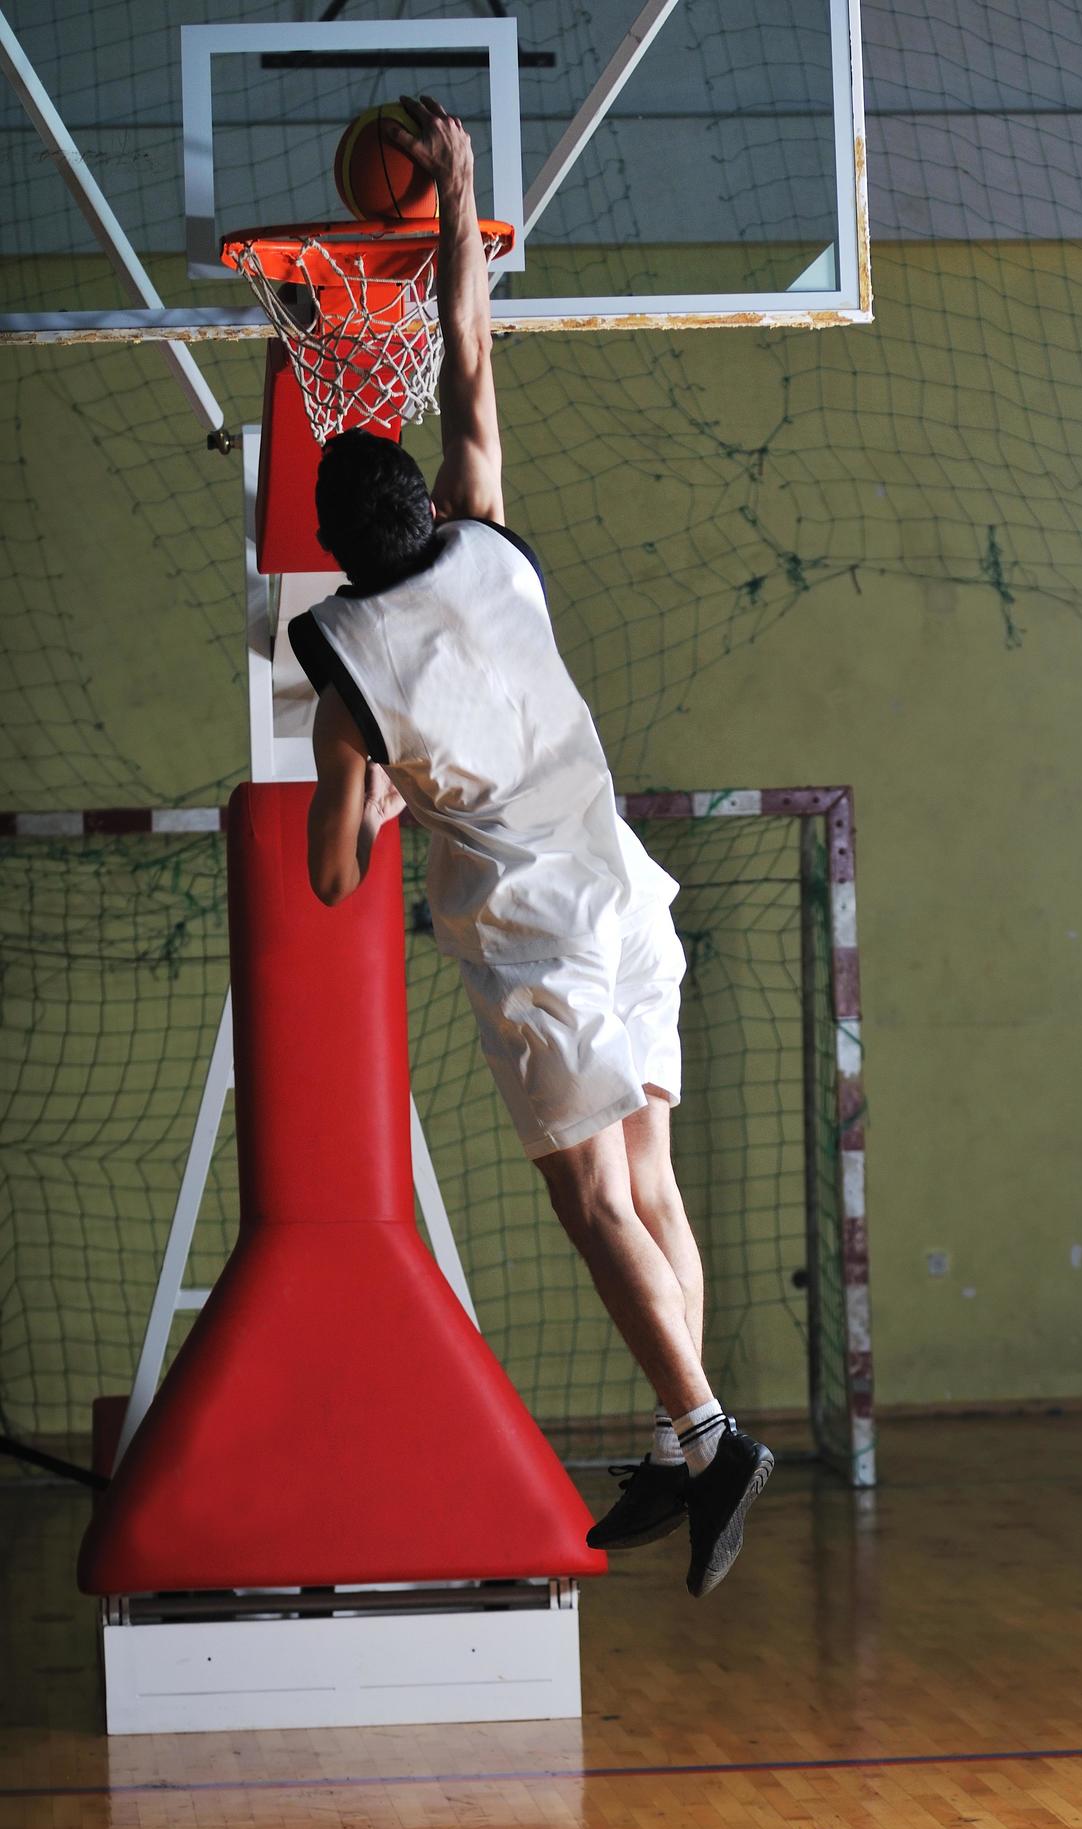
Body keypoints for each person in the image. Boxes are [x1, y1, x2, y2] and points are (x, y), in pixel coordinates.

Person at [287, 97, 772, 1598]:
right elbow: (469, 352)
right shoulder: (489, 539)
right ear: (424, 507)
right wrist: (459, 185)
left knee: (590, 1206)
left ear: (338, 553)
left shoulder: (347, 662)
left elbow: (324, 879)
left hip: (536, 942)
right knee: (658, 1190)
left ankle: (708, 1434)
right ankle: (678, 1441)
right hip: (628, 894)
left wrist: (370, 798)